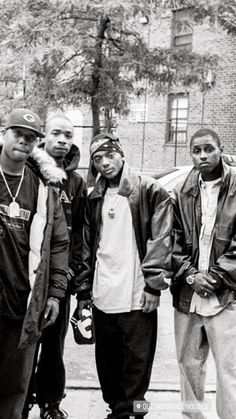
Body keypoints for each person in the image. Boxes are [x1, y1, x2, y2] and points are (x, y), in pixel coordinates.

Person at [71, 132, 173, 419]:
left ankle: (137, 412)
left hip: (138, 294)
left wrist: (154, 286)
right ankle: (117, 410)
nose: (105, 163)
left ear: (122, 154)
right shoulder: (94, 197)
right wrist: (84, 292)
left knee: (138, 365)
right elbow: (89, 245)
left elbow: (162, 238)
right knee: (108, 362)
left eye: (109, 155)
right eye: (97, 159)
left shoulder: (150, 190)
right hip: (104, 292)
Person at [0, 108, 69, 419]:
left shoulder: (43, 188)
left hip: (23, 304)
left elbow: (58, 242)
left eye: (31, 138)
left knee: (14, 387)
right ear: (5, 133)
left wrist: (54, 293)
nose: (24, 142)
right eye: (18, 134)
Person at [22, 113, 86, 419]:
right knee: (23, 341)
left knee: (53, 344)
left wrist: (73, 269)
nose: (62, 140)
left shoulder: (76, 182)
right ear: (44, 137)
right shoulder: (30, 172)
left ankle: (50, 401)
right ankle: (20, 398)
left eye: (69, 135)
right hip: (30, 272)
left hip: (61, 276)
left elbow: (81, 232)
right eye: (57, 133)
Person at [171, 128, 236, 419]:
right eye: (196, 151)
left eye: (208, 149)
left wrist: (216, 277)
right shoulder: (182, 191)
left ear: (221, 149)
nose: (202, 156)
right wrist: (190, 275)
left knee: (229, 369)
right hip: (188, 295)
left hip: (226, 295)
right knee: (188, 367)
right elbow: (169, 240)